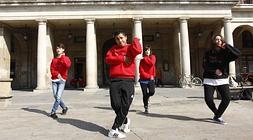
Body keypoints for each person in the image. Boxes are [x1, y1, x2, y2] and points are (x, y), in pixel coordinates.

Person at [105, 31, 142, 138]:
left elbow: (139, 50)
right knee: (115, 105)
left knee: (125, 105)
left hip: (128, 80)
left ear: (126, 37)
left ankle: (114, 129)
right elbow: (108, 59)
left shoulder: (130, 48)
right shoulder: (113, 49)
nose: (120, 40)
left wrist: (135, 40)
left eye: (121, 38)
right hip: (115, 80)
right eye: (117, 39)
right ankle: (125, 121)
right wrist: (122, 58)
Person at [202, 34, 240, 124]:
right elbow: (205, 65)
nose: (218, 41)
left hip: (222, 79)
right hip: (209, 78)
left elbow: (237, 54)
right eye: (216, 39)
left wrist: (227, 46)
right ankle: (217, 114)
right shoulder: (208, 52)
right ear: (213, 41)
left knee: (226, 99)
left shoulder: (226, 53)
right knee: (208, 100)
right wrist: (214, 70)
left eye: (220, 39)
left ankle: (217, 116)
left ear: (222, 41)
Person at [50, 43, 71, 119]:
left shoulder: (66, 58)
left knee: (58, 97)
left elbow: (68, 65)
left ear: (63, 50)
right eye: (57, 48)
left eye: (60, 48)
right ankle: (64, 107)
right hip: (54, 80)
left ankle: (53, 112)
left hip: (62, 80)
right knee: (56, 97)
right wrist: (57, 74)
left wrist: (63, 57)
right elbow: (52, 69)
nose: (58, 49)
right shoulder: (54, 60)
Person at [139, 45, 156, 113]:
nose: (147, 52)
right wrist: (148, 76)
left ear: (150, 51)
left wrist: (145, 58)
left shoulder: (153, 57)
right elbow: (141, 70)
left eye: (148, 50)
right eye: (146, 50)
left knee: (152, 92)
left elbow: (152, 63)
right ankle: (146, 107)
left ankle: (147, 97)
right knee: (144, 94)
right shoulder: (142, 61)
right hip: (143, 80)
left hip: (150, 79)